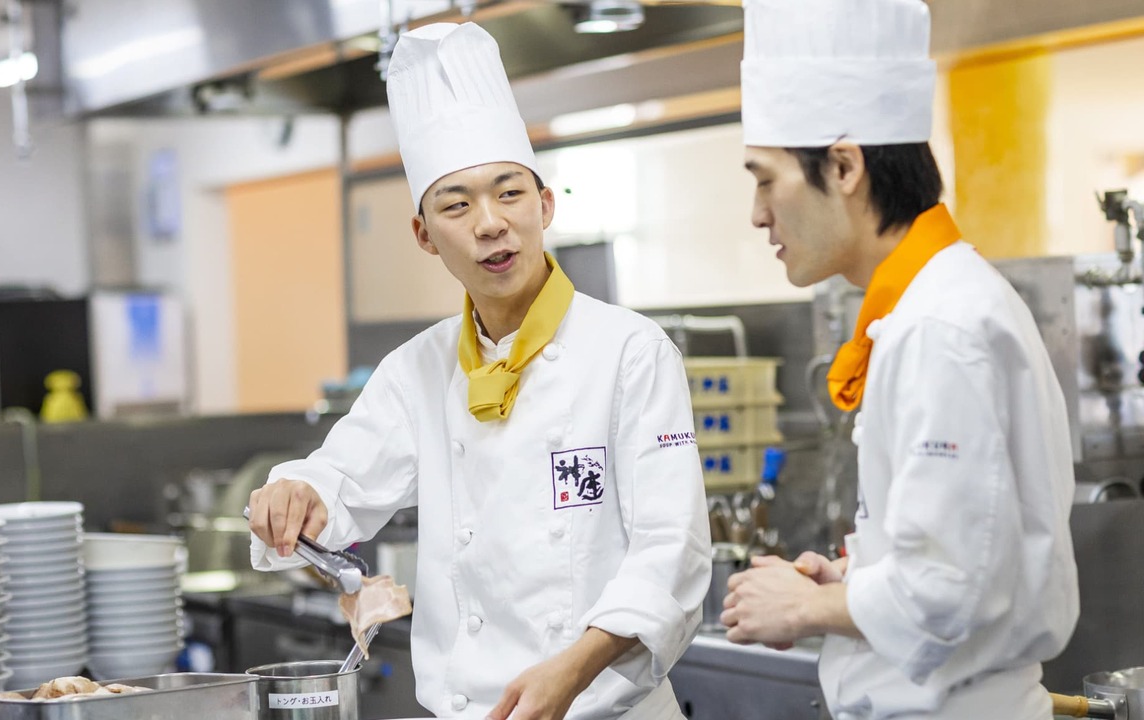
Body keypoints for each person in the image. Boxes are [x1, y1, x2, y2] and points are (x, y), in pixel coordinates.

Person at [246, 21, 710, 720]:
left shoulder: (630, 353)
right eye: (456, 205)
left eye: (510, 194)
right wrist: (294, 494)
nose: (490, 223)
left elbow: (671, 554)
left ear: (546, 205)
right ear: (424, 235)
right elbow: (338, 479)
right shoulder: (419, 369)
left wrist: (570, 672)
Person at [718, 1, 1080, 718]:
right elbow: (969, 554)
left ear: (845, 166)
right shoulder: (932, 306)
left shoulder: (939, 326)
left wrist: (805, 610)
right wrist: (850, 580)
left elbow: (946, 588)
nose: (758, 214)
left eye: (765, 179)